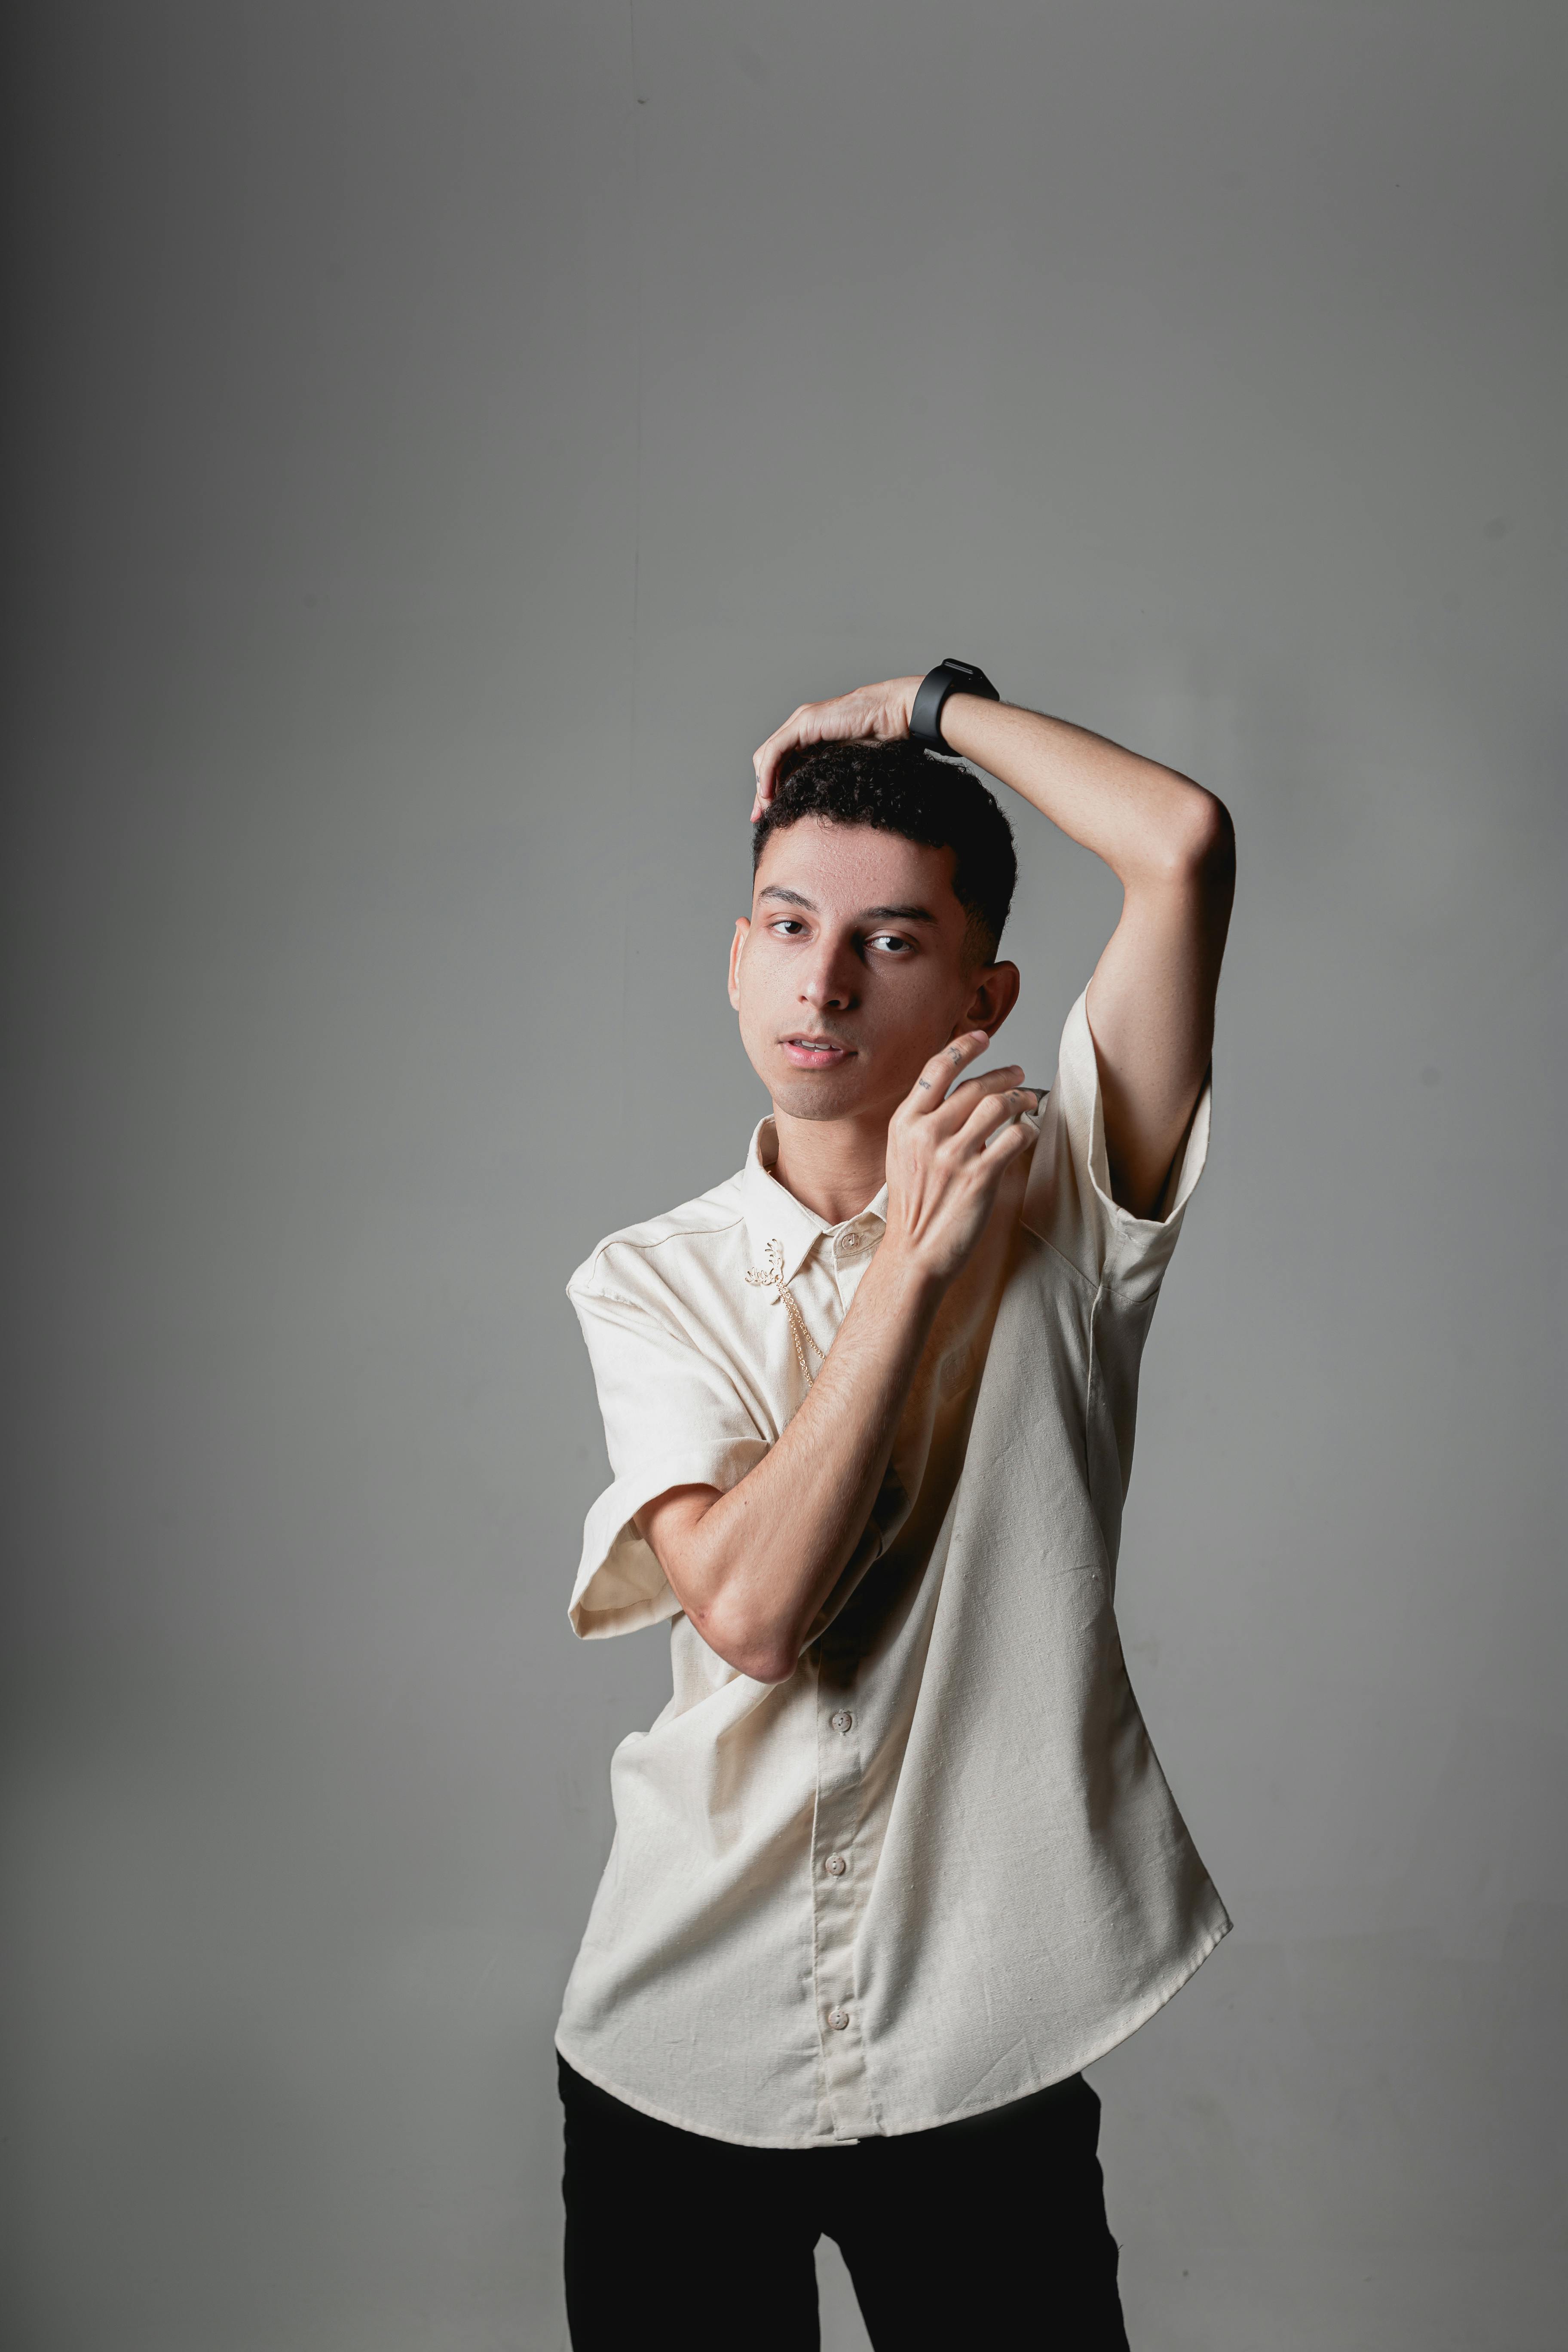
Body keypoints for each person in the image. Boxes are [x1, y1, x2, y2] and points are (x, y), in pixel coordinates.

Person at [554, 662, 1236, 2349]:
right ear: (735, 955)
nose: (826, 982)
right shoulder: (652, 1282)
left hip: (983, 2037)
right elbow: (761, 1616)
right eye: (786, 927)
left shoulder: (1070, 1205)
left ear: (985, 999)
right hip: (678, 2039)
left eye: (893, 943)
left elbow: (1182, 843)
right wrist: (911, 1271)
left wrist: (930, 702)